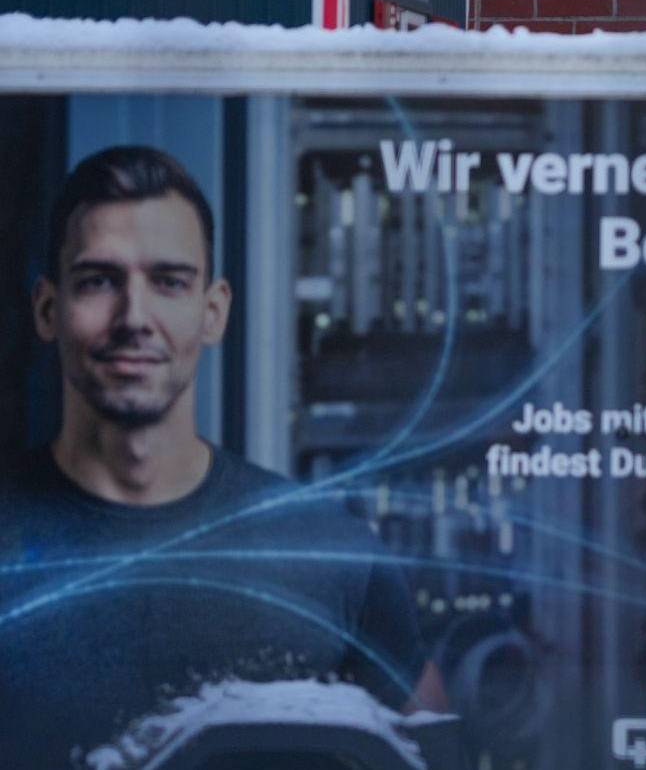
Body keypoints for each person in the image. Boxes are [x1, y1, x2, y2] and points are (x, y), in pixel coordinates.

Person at [0, 146, 445, 768]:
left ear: (213, 312)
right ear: (48, 309)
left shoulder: (330, 555)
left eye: (169, 282)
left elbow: (434, 754)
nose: (134, 318)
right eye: (99, 280)